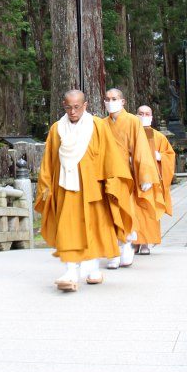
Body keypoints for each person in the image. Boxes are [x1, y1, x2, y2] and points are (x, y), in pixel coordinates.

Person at [35, 90, 136, 292]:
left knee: (94, 228)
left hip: (92, 188)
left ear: (85, 105)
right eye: (68, 107)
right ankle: (71, 271)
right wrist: (46, 186)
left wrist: (112, 184)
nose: (72, 112)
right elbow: (49, 162)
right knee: (68, 228)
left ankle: (92, 269)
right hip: (65, 187)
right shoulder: (56, 129)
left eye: (76, 107)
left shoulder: (97, 126)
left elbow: (110, 156)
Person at [102, 88, 159, 269]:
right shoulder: (101, 124)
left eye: (114, 98)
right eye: (107, 99)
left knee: (125, 209)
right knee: (108, 212)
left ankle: (126, 244)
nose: (110, 101)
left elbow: (141, 148)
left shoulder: (133, 121)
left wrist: (145, 175)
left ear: (123, 101)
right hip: (107, 173)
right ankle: (112, 249)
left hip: (127, 174)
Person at [136, 105, 175, 255]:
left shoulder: (159, 137)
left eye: (147, 114)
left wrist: (160, 157)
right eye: (141, 113)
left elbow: (169, 156)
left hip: (152, 182)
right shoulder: (132, 134)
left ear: (152, 117)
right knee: (135, 213)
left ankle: (146, 243)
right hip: (134, 180)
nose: (144, 116)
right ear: (136, 115)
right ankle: (135, 242)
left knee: (149, 213)